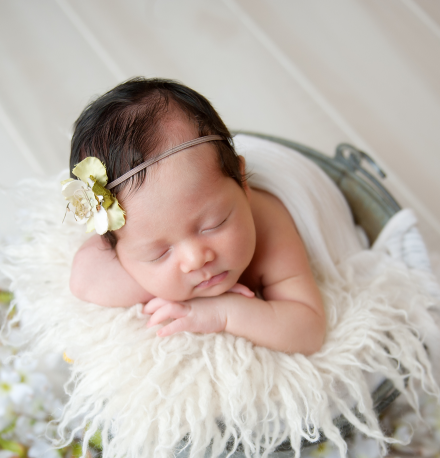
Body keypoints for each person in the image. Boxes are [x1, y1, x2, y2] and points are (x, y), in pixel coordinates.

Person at [67, 78, 326, 356]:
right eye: (159, 253)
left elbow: (309, 331)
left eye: (214, 224)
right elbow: (84, 279)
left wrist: (224, 312)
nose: (195, 259)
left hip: (299, 182)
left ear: (242, 182)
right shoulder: (133, 242)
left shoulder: (270, 230)